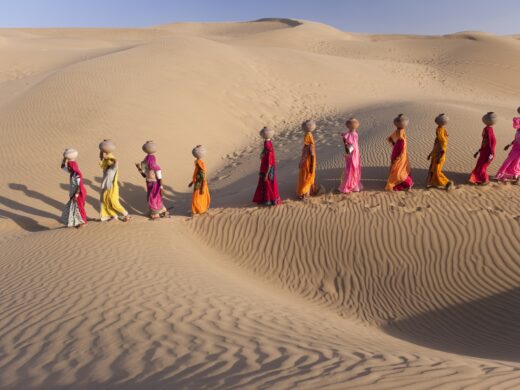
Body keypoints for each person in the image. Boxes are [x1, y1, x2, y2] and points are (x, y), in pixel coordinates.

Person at [135, 141, 168, 219]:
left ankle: (155, 213)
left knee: (153, 198)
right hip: (149, 182)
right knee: (153, 197)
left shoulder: (154, 166)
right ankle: (161, 210)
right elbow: (144, 175)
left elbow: (159, 177)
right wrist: (139, 168)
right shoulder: (146, 165)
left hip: (155, 183)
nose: (146, 163)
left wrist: (161, 187)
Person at [98, 140, 130, 222]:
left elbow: (116, 162)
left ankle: (126, 214)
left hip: (112, 188)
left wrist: (109, 157)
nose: (108, 162)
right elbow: (101, 159)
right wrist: (102, 151)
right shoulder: (106, 168)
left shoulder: (113, 168)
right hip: (106, 187)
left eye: (109, 161)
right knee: (105, 201)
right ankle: (113, 216)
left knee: (114, 202)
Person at [253, 127, 281, 206]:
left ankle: (270, 200)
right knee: (266, 185)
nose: (265, 145)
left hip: (267, 170)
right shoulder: (267, 149)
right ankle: (266, 200)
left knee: (268, 184)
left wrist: (266, 174)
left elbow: (269, 163)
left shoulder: (269, 151)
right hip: (265, 169)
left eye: (266, 145)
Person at [385, 114, 413, 191]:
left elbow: (398, 142)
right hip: (400, 153)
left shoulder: (401, 136)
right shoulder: (401, 132)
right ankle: (405, 183)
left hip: (399, 154)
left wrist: (397, 157)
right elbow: (393, 139)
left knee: (398, 169)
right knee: (400, 168)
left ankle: (404, 183)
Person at [61, 148, 87, 228]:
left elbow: (79, 186)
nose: (68, 168)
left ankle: (84, 222)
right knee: (76, 207)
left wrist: (76, 195)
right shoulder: (72, 172)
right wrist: (65, 158)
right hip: (74, 192)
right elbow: (62, 167)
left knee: (80, 206)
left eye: (69, 166)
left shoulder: (77, 174)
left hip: (79, 192)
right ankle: (77, 221)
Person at [426, 114, 453, 190]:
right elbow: (436, 146)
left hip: (439, 156)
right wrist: (430, 154)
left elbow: (444, 145)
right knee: (433, 169)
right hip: (436, 154)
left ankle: (447, 183)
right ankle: (432, 183)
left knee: (437, 171)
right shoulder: (439, 130)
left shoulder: (441, 133)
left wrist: (440, 156)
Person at [469, 112, 497, 185]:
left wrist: (491, 154)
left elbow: (492, 143)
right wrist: (478, 151)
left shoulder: (488, 130)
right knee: (479, 165)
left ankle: (485, 180)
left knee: (482, 166)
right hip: (484, 151)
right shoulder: (487, 129)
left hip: (487, 152)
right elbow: (484, 142)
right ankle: (478, 178)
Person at [338, 117, 362, 193]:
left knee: (352, 168)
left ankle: (353, 184)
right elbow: (351, 145)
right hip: (353, 154)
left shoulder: (350, 134)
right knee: (352, 168)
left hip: (353, 154)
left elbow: (348, 145)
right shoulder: (353, 134)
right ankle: (352, 184)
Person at [495, 110, 520, 184]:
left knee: (517, 164)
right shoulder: (518, 131)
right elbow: (516, 139)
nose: (516, 126)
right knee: (509, 162)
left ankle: (516, 177)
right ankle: (503, 175)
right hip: (515, 149)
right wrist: (509, 145)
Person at [296, 120, 317, 199]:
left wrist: (301, 163)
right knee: (307, 177)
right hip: (309, 163)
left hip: (307, 164)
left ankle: (305, 193)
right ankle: (306, 192)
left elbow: (308, 155)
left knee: (306, 177)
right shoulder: (310, 145)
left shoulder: (309, 146)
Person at [189, 145, 211, 215]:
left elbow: (202, 178)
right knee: (198, 198)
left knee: (196, 199)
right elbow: (196, 176)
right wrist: (192, 182)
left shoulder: (200, 168)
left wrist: (202, 188)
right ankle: (198, 210)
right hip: (198, 184)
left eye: (196, 164)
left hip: (200, 185)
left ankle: (198, 210)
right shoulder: (199, 166)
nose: (195, 164)